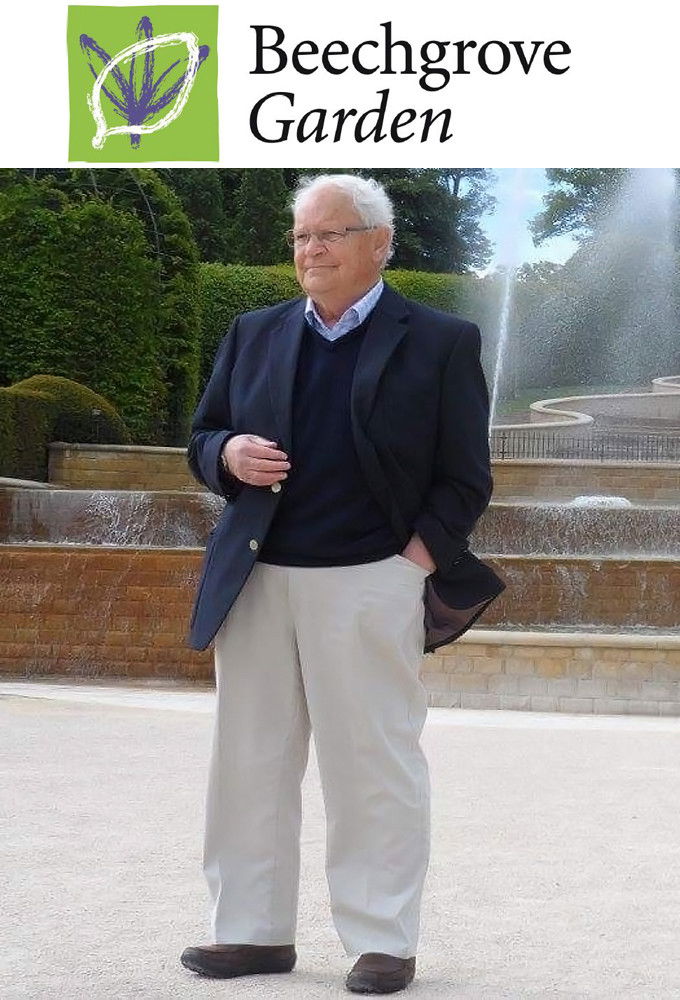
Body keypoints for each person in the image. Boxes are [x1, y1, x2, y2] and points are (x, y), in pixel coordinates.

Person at [181, 174, 505, 994]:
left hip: (370, 576)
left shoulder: (441, 341)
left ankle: (382, 941)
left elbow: (466, 477)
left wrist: (410, 566)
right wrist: (226, 454)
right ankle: (251, 933)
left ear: (379, 244)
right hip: (256, 577)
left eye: (329, 233)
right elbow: (202, 435)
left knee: (373, 765)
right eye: (301, 237)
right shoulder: (253, 331)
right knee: (248, 762)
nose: (311, 249)